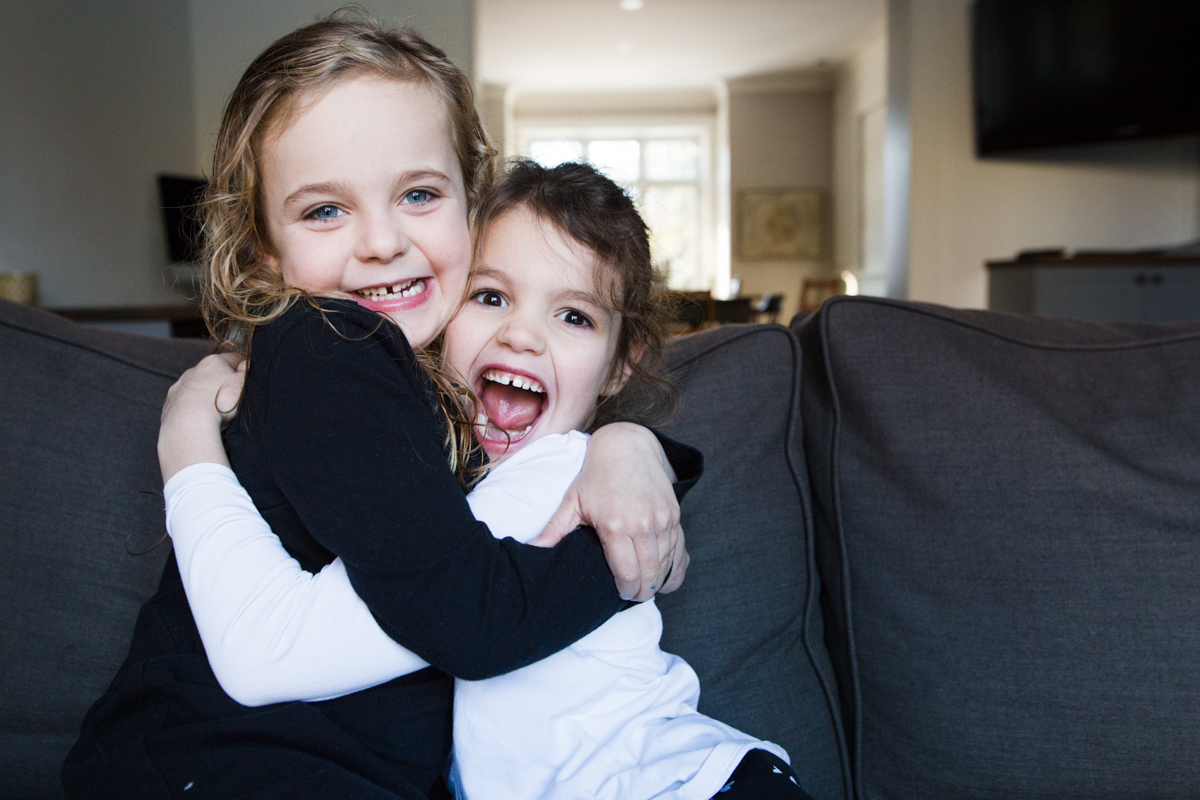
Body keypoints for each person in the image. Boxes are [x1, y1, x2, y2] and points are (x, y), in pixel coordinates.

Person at [62, 17, 696, 799]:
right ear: (265, 248)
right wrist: (627, 551)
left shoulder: (436, 381)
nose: (381, 242)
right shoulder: (332, 342)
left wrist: (629, 444)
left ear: (472, 201)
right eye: (325, 210)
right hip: (226, 762)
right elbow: (469, 617)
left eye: (419, 194)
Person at [161, 160, 815, 800]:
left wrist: (187, 436)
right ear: (441, 319)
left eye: (574, 316)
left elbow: (274, 650)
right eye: (491, 296)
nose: (522, 335)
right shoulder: (446, 476)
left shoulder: (552, 478)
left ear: (621, 366)